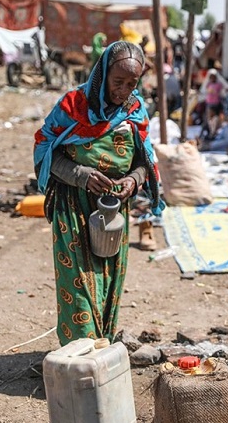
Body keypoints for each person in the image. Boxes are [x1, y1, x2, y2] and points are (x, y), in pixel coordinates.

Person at [33, 41, 164, 346]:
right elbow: (45, 148)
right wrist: (82, 175)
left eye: (132, 83)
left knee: (109, 278)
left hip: (114, 209)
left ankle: (101, 347)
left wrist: (133, 180)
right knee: (77, 282)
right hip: (74, 206)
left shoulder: (134, 109)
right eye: (117, 82)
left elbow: (145, 160)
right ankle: (79, 357)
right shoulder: (73, 105)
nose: (123, 90)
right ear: (102, 75)